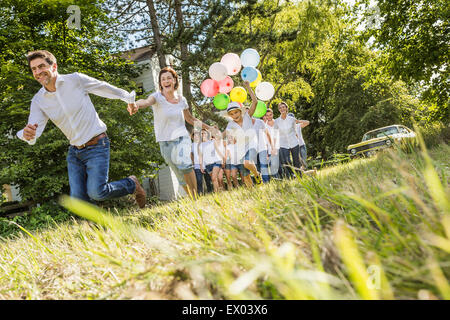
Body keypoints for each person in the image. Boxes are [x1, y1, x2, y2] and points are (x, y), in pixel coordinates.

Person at [17, 50, 147, 208]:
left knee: (97, 192)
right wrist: (26, 134)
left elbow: (103, 87)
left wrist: (128, 98)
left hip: (98, 144)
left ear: (54, 66)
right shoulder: (39, 100)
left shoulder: (75, 80)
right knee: (78, 200)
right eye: (34, 69)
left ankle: (132, 184)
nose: (38, 72)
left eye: (41, 66)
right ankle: (96, 228)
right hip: (75, 152)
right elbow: (33, 130)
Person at [130, 67, 213, 198]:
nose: (166, 81)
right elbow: (145, 102)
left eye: (169, 78)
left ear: (174, 80)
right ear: (160, 83)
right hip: (164, 142)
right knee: (179, 174)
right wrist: (136, 104)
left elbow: (190, 119)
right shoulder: (156, 97)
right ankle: (193, 198)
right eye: (163, 79)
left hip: (181, 137)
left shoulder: (182, 100)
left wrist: (208, 128)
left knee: (185, 164)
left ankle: (196, 196)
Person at [225, 81, 261, 187]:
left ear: (240, 111)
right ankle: (252, 191)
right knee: (245, 175)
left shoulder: (247, 116)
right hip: (240, 148)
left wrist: (248, 87)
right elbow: (228, 136)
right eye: (231, 114)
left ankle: (257, 175)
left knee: (247, 162)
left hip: (252, 144)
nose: (234, 115)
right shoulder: (230, 125)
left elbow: (255, 102)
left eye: (236, 112)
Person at [274, 102, 304, 179]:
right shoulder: (276, 121)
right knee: (286, 161)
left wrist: (297, 135)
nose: (282, 109)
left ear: (286, 108)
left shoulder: (292, 119)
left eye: (283, 107)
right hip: (283, 144)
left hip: (294, 142)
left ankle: (299, 177)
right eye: (280, 108)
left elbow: (295, 129)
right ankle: (293, 174)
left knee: (296, 161)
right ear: (279, 110)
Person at [263, 108, 280, 180]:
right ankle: (277, 180)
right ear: (265, 116)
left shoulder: (277, 123)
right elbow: (265, 140)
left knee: (281, 165)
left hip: (279, 147)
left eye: (270, 115)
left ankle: (285, 178)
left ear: (273, 114)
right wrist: (267, 151)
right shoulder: (264, 126)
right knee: (273, 166)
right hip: (270, 149)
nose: (269, 117)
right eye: (267, 115)